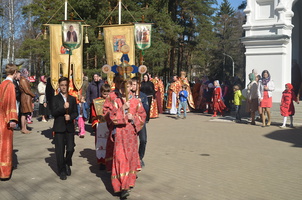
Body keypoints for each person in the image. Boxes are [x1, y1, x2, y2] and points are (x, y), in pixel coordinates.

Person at [104, 78, 146, 199]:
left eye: (127, 88)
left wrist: (134, 118)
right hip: (120, 135)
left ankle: (128, 184)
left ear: (131, 88)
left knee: (130, 159)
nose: (125, 90)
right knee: (121, 160)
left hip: (131, 135)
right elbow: (111, 117)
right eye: (122, 88)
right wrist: (122, 110)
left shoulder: (136, 102)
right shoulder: (116, 101)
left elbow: (142, 115)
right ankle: (121, 187)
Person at [52, 77, 78, 180]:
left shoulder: (72, 98)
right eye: (62, 85)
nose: (64, 87)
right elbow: (53, 112)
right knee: (60, 150)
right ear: (59, 86)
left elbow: (76, 112)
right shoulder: (55, 98)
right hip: (59, 127)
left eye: (65, 85)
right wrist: (63, 108)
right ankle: (61, 169)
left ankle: (67, 162)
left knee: (71, 148)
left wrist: (70, 117)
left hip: (69, 127)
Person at [0, 64, 18, 180]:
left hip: (0, 117)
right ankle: (4, 172)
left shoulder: (2, 84)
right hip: (6, 119)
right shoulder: (10, 85)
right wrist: (12, 119)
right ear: (14, 72)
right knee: (5, 145)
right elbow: (11, 103)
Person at [91, 83, 111, 170]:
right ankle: (101, 162)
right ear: (101, 92)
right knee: (101, 144)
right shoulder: (96, 101)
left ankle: (109, 161)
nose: (106, 96)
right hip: (100, 125)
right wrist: (96, 121)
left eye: (107, 94)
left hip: (110, 124)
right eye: (104, 94)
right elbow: (93, 114)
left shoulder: (112, 101)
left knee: (109, 144)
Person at [131, 77, 149, 167]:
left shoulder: (143, 96)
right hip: (131, 122)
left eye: (135, 84)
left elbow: (147, 109)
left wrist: (140, 103)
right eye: (132, 84)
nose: (133, 86)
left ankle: (140, 157)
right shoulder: (128, 96)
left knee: (143, 140)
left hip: (141, 121)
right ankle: (132, 160)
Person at [19, 68, 35, 134]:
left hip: (27, 97)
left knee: (26, 114)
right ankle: (23, 128)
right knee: (24, 113)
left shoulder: (24, 79)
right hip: (25, 97)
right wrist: (33, 95)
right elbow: (26, 90)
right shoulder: (23, 80)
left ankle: (25, 128)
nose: (27, 73)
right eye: (26, 72)